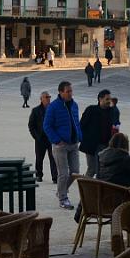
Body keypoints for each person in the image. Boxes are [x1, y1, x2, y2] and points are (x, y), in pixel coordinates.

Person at [43, 81, 82, 209]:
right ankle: (63, 198)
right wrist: (56, 140)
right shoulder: (53, 107)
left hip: (73, 144)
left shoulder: (74, 105)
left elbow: (76, 122)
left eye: (71, 91)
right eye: (68, 91)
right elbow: (47, 126)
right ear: (60, 92)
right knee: (63, 173)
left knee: (75, 171)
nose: (70, 93)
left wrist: (79, 136)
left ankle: (61, 191)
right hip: (60, 145)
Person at [80, 89, 118, 177]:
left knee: (102, 170)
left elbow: (115, 126)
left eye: (110, 99)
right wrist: (86, 138)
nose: (109, 101)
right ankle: (85, 188)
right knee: (92, 169)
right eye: (107, 99)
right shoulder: (91, 110)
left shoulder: (112, 111)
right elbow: (82, 125)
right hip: (91, 145)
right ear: (100, 99)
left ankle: (98, 189)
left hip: (106, 146)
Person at [29, 91, 57, 183]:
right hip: (40, 138)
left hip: (51, 138)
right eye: (46, 97)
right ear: (41, 99)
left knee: (53, 158)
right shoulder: (36, 110)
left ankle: (55, 177)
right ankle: (38, 175)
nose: (48, 98)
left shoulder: (54, 109)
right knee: (39, 158)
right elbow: (31, 125)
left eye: (49, 97)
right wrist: (36, 136)